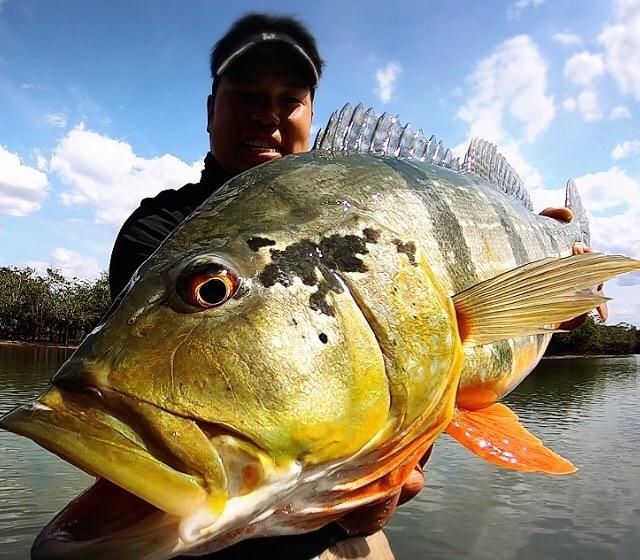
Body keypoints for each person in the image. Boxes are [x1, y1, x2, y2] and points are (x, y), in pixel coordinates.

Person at [109, 12, 425, 560]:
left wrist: (555, 297)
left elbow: (430, 340)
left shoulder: (366, 219)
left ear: (312, 116)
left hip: (342, 538)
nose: (267, 116)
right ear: (211, 111)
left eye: (289, 100)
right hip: (204, 538)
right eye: (246, 95)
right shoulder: (162, 231)